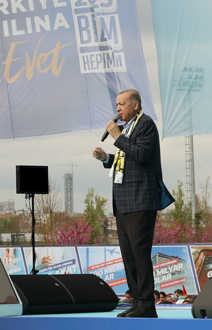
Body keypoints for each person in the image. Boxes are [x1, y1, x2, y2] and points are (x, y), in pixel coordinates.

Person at [92, 89, 166, 319]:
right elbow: (127, 159)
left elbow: (141, 154)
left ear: (135, 105)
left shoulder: (146, 124)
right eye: (116, 105)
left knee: (140, 254)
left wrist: (117, 136)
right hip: (124, 201)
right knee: (129, 255)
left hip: (141, 199)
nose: (118, 109)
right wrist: (107, 158)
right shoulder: (129, 128)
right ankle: (136, 301)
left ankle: (147, 304)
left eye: (122, 104)